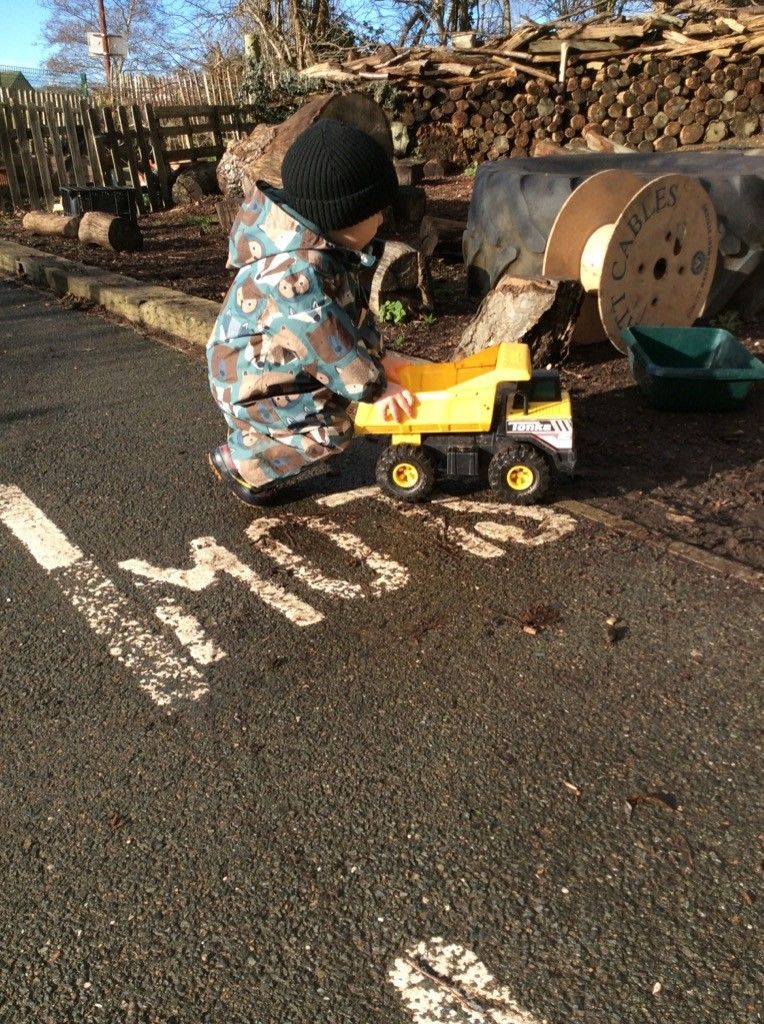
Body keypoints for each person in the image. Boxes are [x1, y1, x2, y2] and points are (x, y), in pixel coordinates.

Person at [206, 118, 416, 506]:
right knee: (332, 430)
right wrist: (376, 387)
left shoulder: (321, 248)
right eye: (374, 212)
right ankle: (245, 462)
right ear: (342, 216)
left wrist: (379, 359)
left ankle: (257, 439)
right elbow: (325, 338)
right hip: (250, 383)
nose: (383, 220)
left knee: (340, 393)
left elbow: (344, 319)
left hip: (274, 363)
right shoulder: (296, 272)